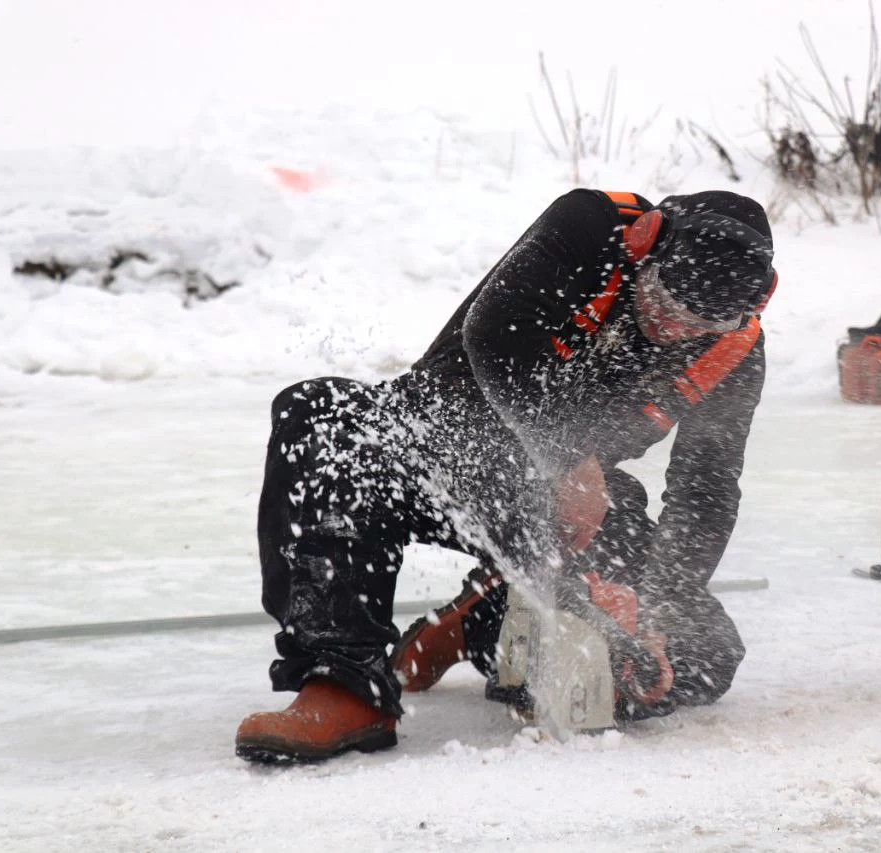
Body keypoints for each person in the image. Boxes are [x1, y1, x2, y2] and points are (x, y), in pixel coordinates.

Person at [234, 188, 778, 763]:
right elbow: (494, 335)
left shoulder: (737, 352)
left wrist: (657, 612)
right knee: (321, 412)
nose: (675, 329)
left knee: (700, 659)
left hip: (553, 508)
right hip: (434, 445)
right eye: (666, 302)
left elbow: (704, 493)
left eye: (703, 321)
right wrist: (567, 457)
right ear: (648, 247)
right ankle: (343, 681)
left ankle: (488, 622)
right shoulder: (593, 224)